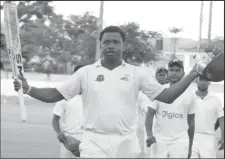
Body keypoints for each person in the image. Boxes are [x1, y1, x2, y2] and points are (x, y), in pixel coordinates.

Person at [13, 26, 200, 158]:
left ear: (123, 45)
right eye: (106, 42)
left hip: (126, 141)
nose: (111, 45)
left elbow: (167, 96)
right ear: (101, 45)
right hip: (94, 141)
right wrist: (28, 89)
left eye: (115, 42)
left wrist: (192, 73)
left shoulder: (137, 73)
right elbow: (55, 94)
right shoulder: (85, 73)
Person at [145, 59, 195, 158]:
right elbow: (149, 115)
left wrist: (190, 147)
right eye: (171, 70)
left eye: (177, 70)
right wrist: (149, 134)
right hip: (160, 140)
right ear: (168, 73)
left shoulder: (191, 94)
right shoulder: (160, 90)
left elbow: (191, 122)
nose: (174, 73)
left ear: (183, 73)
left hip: (180, 140)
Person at [52, 65, 84, 158]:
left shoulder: (92, 96)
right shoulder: (64, 96)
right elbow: (55, 119)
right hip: (68, 138)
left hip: (87, 139)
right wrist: (58, 132)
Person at [191, 77, 224, 158]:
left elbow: (221, 118)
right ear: (196, 81)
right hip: (191, 137)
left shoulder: (215, 99)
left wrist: (223, 137)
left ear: (209, 82)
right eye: (201, 79)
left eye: (206, 80)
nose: (203, 82)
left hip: (209, 138)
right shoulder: (189, 97)